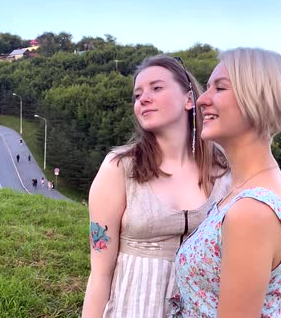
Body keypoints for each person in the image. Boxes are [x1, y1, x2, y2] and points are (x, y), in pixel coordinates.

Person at [82, 55, 229, 318]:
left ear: (188, 99)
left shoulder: (223, 168)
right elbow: (100, 274)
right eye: (137, 95)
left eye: (156, 88)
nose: (143, 99)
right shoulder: (119, 168)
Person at [173, 48, 281, 317]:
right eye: (208, 87)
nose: (202, 100)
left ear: (260, 99)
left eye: (220, 88)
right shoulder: (252, 187)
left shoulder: (252, 210)